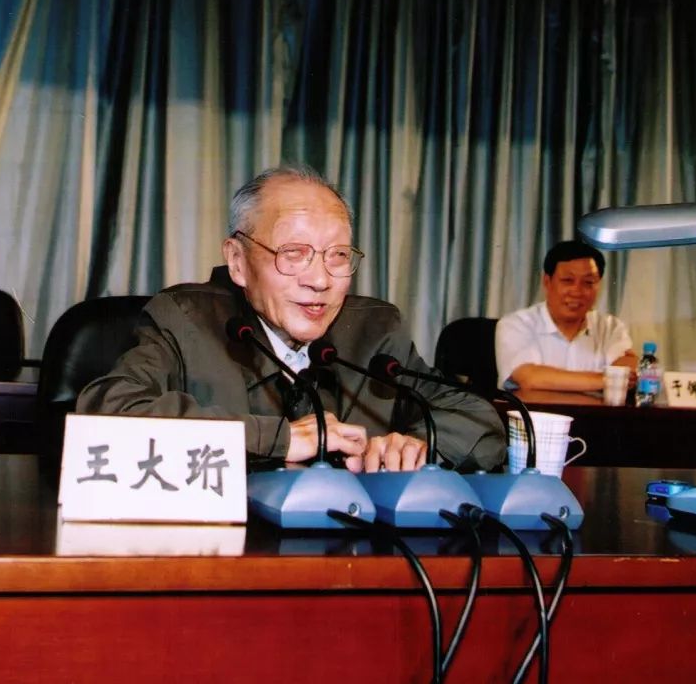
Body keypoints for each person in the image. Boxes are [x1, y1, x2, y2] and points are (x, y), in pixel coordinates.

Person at [77, 165, 505, 473]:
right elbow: (108, 412)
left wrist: (418, 446)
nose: (319, 280)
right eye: (294, 254)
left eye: (338, 256)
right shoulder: (185, 320)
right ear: (238, 261)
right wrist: (280, 438)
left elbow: (478, 419)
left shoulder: (375, 331)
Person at [495, 239, 636, 393]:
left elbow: (628, 368)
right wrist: (608, 379)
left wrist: (621, 373)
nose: (577, 291)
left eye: (588, 282)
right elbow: (529, 378)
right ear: (547, 282)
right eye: (568, 280)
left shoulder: (610, 327)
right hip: (534, 410)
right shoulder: (516, 324)